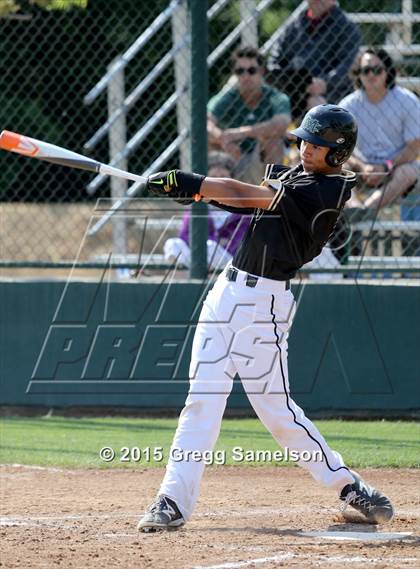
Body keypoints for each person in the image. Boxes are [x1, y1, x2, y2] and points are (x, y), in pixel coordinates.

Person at [138, 104, 394, 532]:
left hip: (265, 307)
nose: (304, 147)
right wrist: (199, 192)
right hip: (226, 292)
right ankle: (172, 500)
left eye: (315, 143)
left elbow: (253, 196)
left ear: (337, 152)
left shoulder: (329, 191)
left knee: (276, 409)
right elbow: (248, 205)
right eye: (303, 140)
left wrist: (198, 182)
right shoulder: (296, 175)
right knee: (202, 398)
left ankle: (348, 486)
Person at [339, 47, 420, 212]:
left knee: (409, 172)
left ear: (387, 72)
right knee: (336, 169)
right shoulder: (348, 105)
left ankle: (365, 212)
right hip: (360, 169)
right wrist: (362, 167)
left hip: (396, 166)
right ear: (359, 74)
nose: (371, 75)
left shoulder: (407, 100)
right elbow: (338, 147)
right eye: (366, 70)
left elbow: (414, 146)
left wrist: (386, 166)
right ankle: (354, 208)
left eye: (377, 70)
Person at [208, 46, 291, 184]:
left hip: (259, 163)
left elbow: (282, 124)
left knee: (273, 139)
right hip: (231, 158)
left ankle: (272, 193)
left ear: (262, 72)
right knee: (209, 139)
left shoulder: (275, 97)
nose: (245, 76)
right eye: (240, 71)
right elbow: (205, 123)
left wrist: (242, 133)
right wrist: (223, 139)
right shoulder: (228, 97)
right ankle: (213, 197)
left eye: (252, 71)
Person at [267, 0, 361, 120]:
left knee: (317, 106)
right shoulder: (294, 24)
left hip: (328, 92)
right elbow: (274, 60)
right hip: (291, 88)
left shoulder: (347, 27)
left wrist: (325, 82)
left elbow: (346, 65)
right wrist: (284, 79)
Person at [163, 152, 250, 269]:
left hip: (229, 259)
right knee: (173, 244)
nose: (218, 182)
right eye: (213, 177)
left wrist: (210, 242)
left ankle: (207, 280)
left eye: (223, 177)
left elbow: (237, 243)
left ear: (232, 180)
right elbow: (184, 236)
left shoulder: (241, 206)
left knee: (209, 247)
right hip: (198, 255)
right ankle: (185, 281)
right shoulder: (197, 203)